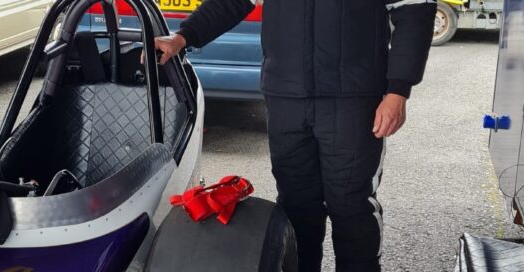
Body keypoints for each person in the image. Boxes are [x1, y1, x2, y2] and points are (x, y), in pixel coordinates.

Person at [155, 0, 436, 271]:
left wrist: (398, 90)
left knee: (351, 204)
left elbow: (414, 10)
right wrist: (183, 37)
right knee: (296, 205)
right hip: (287, 96)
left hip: (353, 97)